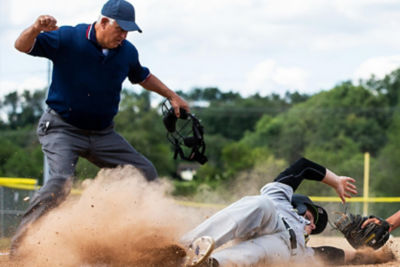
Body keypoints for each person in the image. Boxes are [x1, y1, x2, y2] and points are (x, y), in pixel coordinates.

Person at [11, 0, 188, 253]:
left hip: (103, 134)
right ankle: (21, 248)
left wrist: (171, 95)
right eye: (120, 29)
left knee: (145, 172)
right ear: (103, 22)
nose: (124, 35)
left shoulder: (126, 52)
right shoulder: (68, 38)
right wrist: (35, 28)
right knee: (59, 182)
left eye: (128, 31)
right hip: (62, 128)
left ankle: (138, 240)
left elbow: (143, 76)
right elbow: (21, 46)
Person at [182, 157, 360, 267]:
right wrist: (335, 180)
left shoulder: (305, 252)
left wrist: (371, 253)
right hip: (271, 218)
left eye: (314, 226)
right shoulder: (279, 199)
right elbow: (302, 166)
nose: (312, 225)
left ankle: (209, 264)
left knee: (260, 253)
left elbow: (339, 255)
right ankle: (183, 247)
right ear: (299, 205)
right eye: (312, 217)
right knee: (261, 204)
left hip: (283, 248)